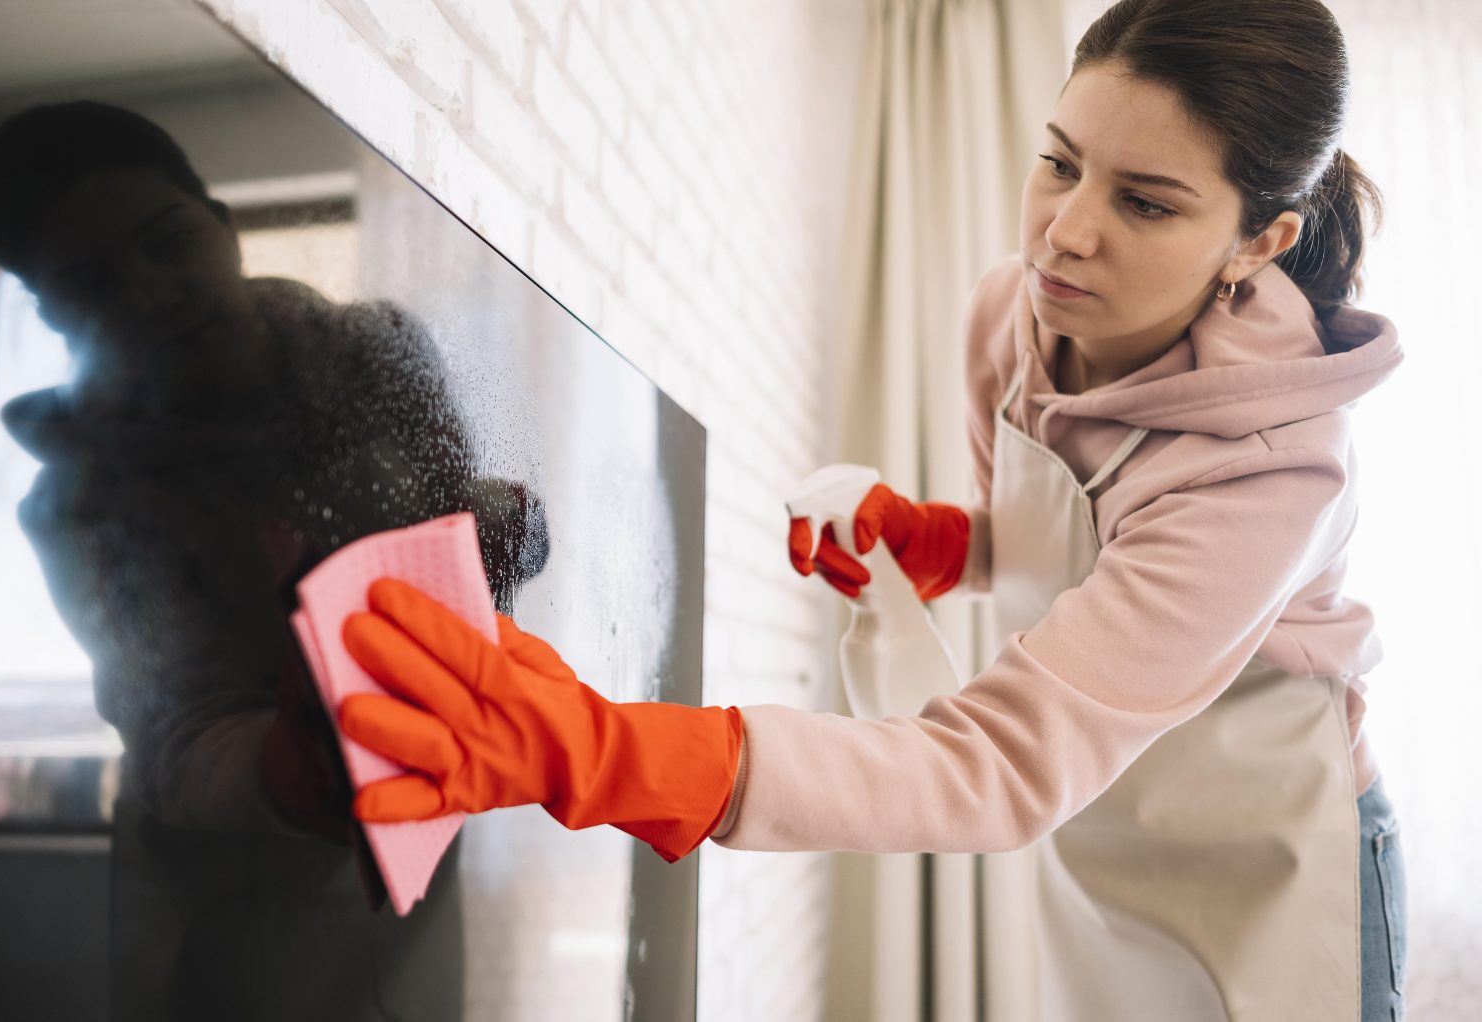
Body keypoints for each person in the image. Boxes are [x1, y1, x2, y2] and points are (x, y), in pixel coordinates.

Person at [326, 1, 1408, 1018]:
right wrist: (939, 541)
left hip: (1267, 855)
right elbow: (1057, 538)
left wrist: (616, 754)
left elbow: (1005, 762)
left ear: (1260, 239)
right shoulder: (1014, 315)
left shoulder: (1268, 467)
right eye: (1060, 162)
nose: (1063, 234)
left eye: (1145, 201)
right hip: (1105, 812)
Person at [0, 101, 546, 1020]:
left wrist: (500, 535)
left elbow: (458, 526)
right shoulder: (79, 500)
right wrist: (289, 763)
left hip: (415, 830)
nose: (152, 294)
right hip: (222, 889)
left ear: (224, 225)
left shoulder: (382, 357)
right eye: (91, 286)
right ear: (49, 316)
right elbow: (174, 732)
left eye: (168, 242)